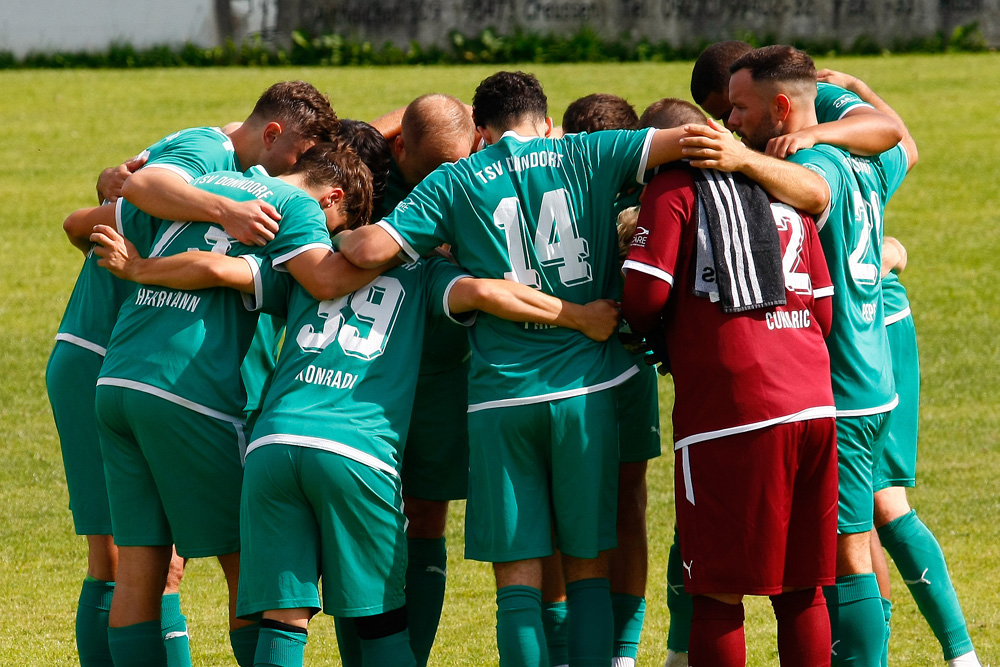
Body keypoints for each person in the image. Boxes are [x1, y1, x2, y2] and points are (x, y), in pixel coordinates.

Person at [339, 70, 826, 666]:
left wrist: (327, 234)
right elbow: (688, 140)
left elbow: (367, 252)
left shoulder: (454, 180)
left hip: (501, 401)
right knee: (590, 569)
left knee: (516, 583)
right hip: (587, 393)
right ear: (545, 121)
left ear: (481, 132)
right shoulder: (587, 150)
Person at [89, 207, 621, 667]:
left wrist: (140, 269)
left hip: (272, 447)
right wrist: (578, 316)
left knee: (281, 621)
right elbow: (484, 291)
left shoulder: (310, 259)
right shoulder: (429, 270)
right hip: (355, 452)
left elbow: (217, 268)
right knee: (381, 624)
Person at [61, 146, 373, 667]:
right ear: (331, 198)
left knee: (140, 564)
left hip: (117, 380)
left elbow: (82, 222)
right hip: (187, 389)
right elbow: (303, 277)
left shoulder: (212, 182)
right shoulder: (293, 212)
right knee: (249, 564)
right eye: (335, 226)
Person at [688, 44, 917, 666]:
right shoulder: (861, 156)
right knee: (855, 539)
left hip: (834, 381)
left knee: (842, 557)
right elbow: (903, 142)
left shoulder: (817, 160)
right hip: (873, 371)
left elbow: (813, 193)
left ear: (781, 106)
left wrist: (744, 162)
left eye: (737, 109)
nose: (729, 123)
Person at [621, 97, 838, 667]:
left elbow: (644, 297)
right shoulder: (780, 187)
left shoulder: (673, 187)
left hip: (734, 411)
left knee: (715, 591)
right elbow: (823, 312)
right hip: (814, 403)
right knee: (802, 588)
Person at [551, 92, 659, 667]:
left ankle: (569, 644)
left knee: (560, 511)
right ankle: (623, 650)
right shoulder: (651, 195)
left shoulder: (557, 186)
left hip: (567, 372)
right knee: (628, 503)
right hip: (631, 369)